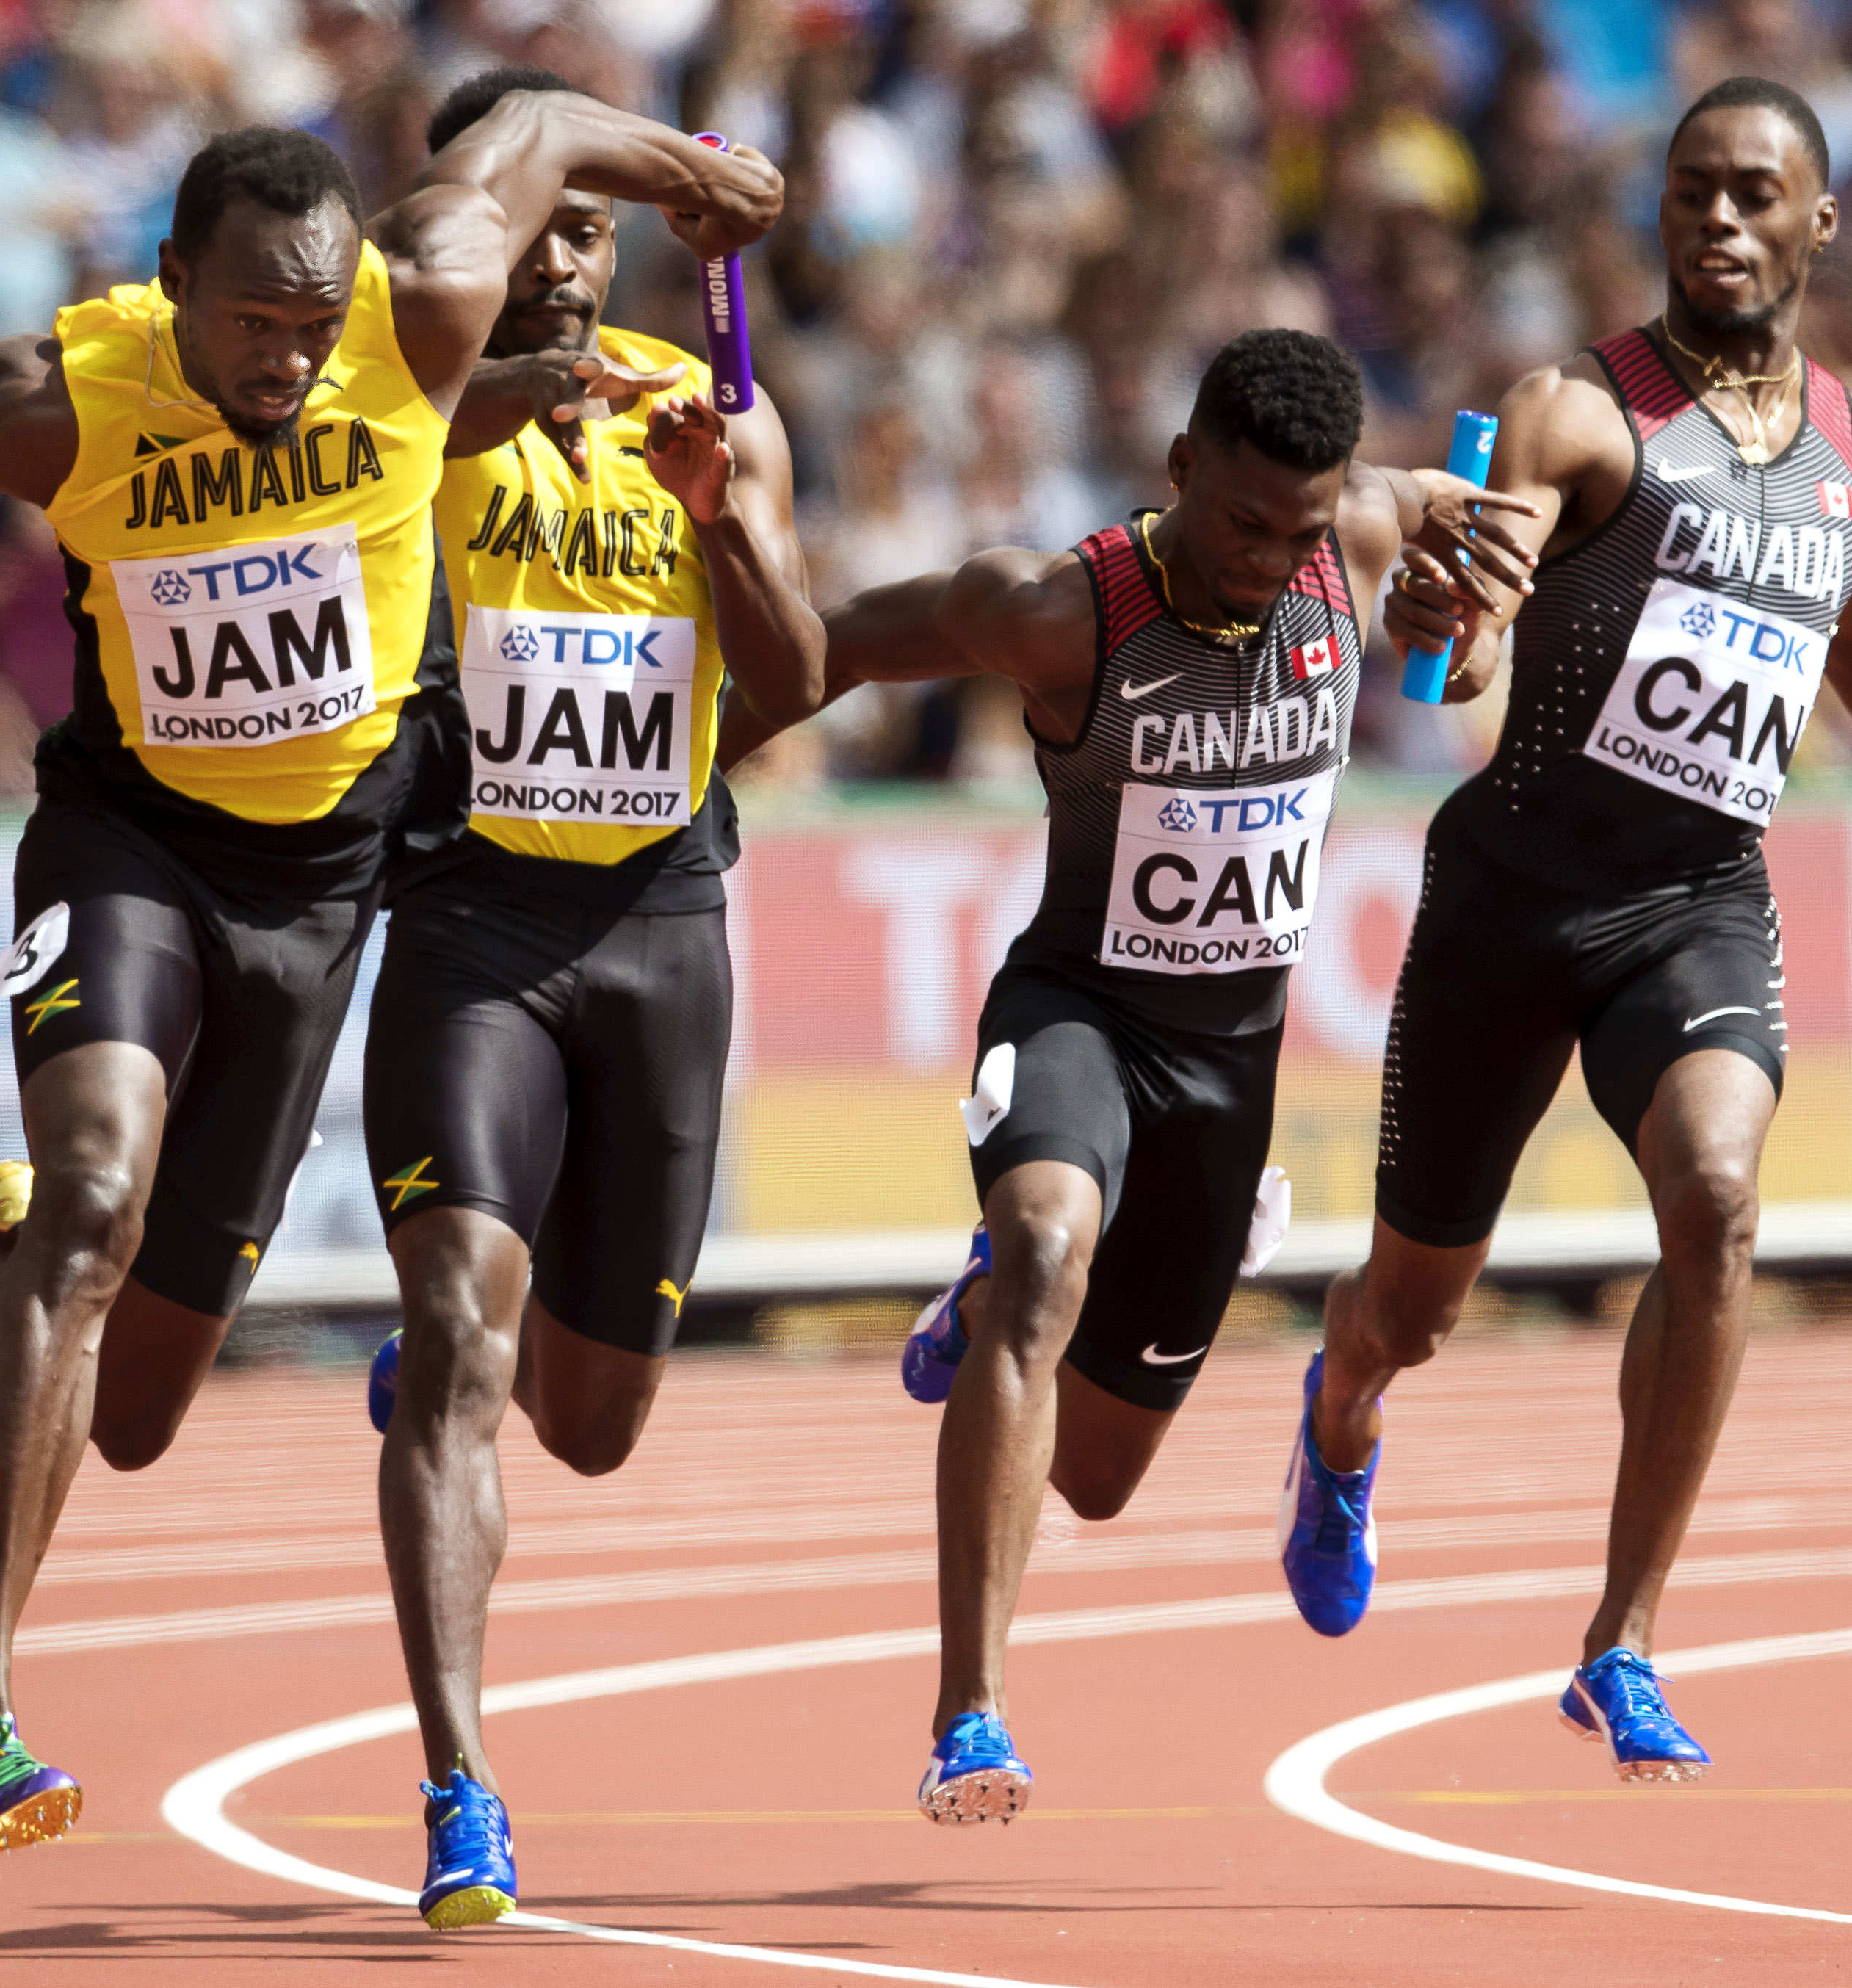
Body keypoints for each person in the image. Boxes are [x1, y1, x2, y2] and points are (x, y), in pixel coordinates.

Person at [0, 111, 778, 1865]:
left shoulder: (412, 320)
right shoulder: (64, 399)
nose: (285, 359)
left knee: (137, 1410)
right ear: (169, 282)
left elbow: (541, 128)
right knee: (102, 1197)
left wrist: (676, 170)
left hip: (323, 893)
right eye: (251, 322)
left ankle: (20, 1237)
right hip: (134, 849)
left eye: (312, 323)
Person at [1303, 77, 1852, 1782]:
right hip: (1513, 897)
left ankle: (1621, 1637)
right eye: (1692, 189)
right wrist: (1446, 618)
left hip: (1693, 902)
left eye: (1755, 192)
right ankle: (1340, 1420)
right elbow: (1476, 632)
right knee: (1413, 1305)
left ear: (1815, 222)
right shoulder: (1573, 412)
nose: (1719, 217)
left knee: (1717, 1195)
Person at [729, 327, 1531, 1823]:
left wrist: (1465, 606)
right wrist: (670, 767)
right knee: (1044, 1254)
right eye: (1239, 525)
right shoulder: (1051, 610)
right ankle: (969, 1712)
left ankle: (1043, 1332)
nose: (1265, 559)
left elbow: (1457, 561)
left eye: (1298, 530)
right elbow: (824, 646)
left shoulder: (1349, 531)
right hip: (1079, 1012)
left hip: (1228, 1064)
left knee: (1093, 1480)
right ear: (1176, 471)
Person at [351, 65, 814, 1929]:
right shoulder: (397, 392)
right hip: (470, 929)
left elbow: (786, 682)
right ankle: (463, 1784)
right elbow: (427, 417)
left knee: (598, 1417)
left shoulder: (701, 404)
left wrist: (720, 516)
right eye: (535, 219)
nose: (561, 257)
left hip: (661, 928)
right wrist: (517, 389)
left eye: (593, 228)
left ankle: (479, 1348)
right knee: (467, 1325)